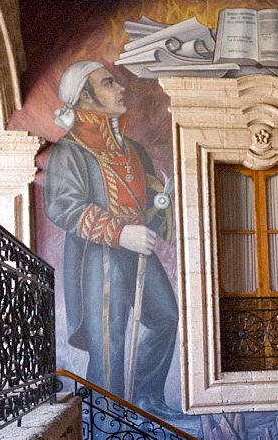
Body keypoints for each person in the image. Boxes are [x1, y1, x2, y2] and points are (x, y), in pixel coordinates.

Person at [44, 60, 179, 416]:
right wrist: (120, 233)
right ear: (85, 97)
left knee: (166, 316)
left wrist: (162, 203)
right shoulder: (69, 151)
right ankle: (107, 423)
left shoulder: (134, 150)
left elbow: (147, 200)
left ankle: (146, 399)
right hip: (98, 254)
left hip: (138, 251)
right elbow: (63, 207)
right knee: (110, 340)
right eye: (109, 84)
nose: (121, 89)